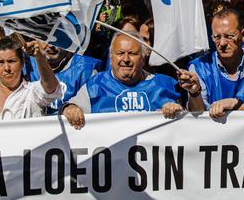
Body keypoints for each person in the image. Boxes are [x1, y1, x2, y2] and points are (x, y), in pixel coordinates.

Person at [63, 33, 204, 129]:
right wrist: (69, 109)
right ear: (111, 58)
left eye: (132, 54)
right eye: (120, 53)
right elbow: (68, 111)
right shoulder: (95, 85)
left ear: (143, 59)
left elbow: (197, 121)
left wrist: (191, 98)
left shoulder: (166, 84)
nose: (125, 59)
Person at [188, 7, 244, 118]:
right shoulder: (199, 68)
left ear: (243, 34)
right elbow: (197, 116)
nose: (222, 43)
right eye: (217, 37)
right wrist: (194, 93)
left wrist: (236, 105)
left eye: (229, 36)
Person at [26, 43, 101, 113]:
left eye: (57, 39)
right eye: (45, 39)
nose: (51, 45)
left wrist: (69, 107)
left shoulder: (87, 69)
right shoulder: (26, 65)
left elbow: (93, 111)